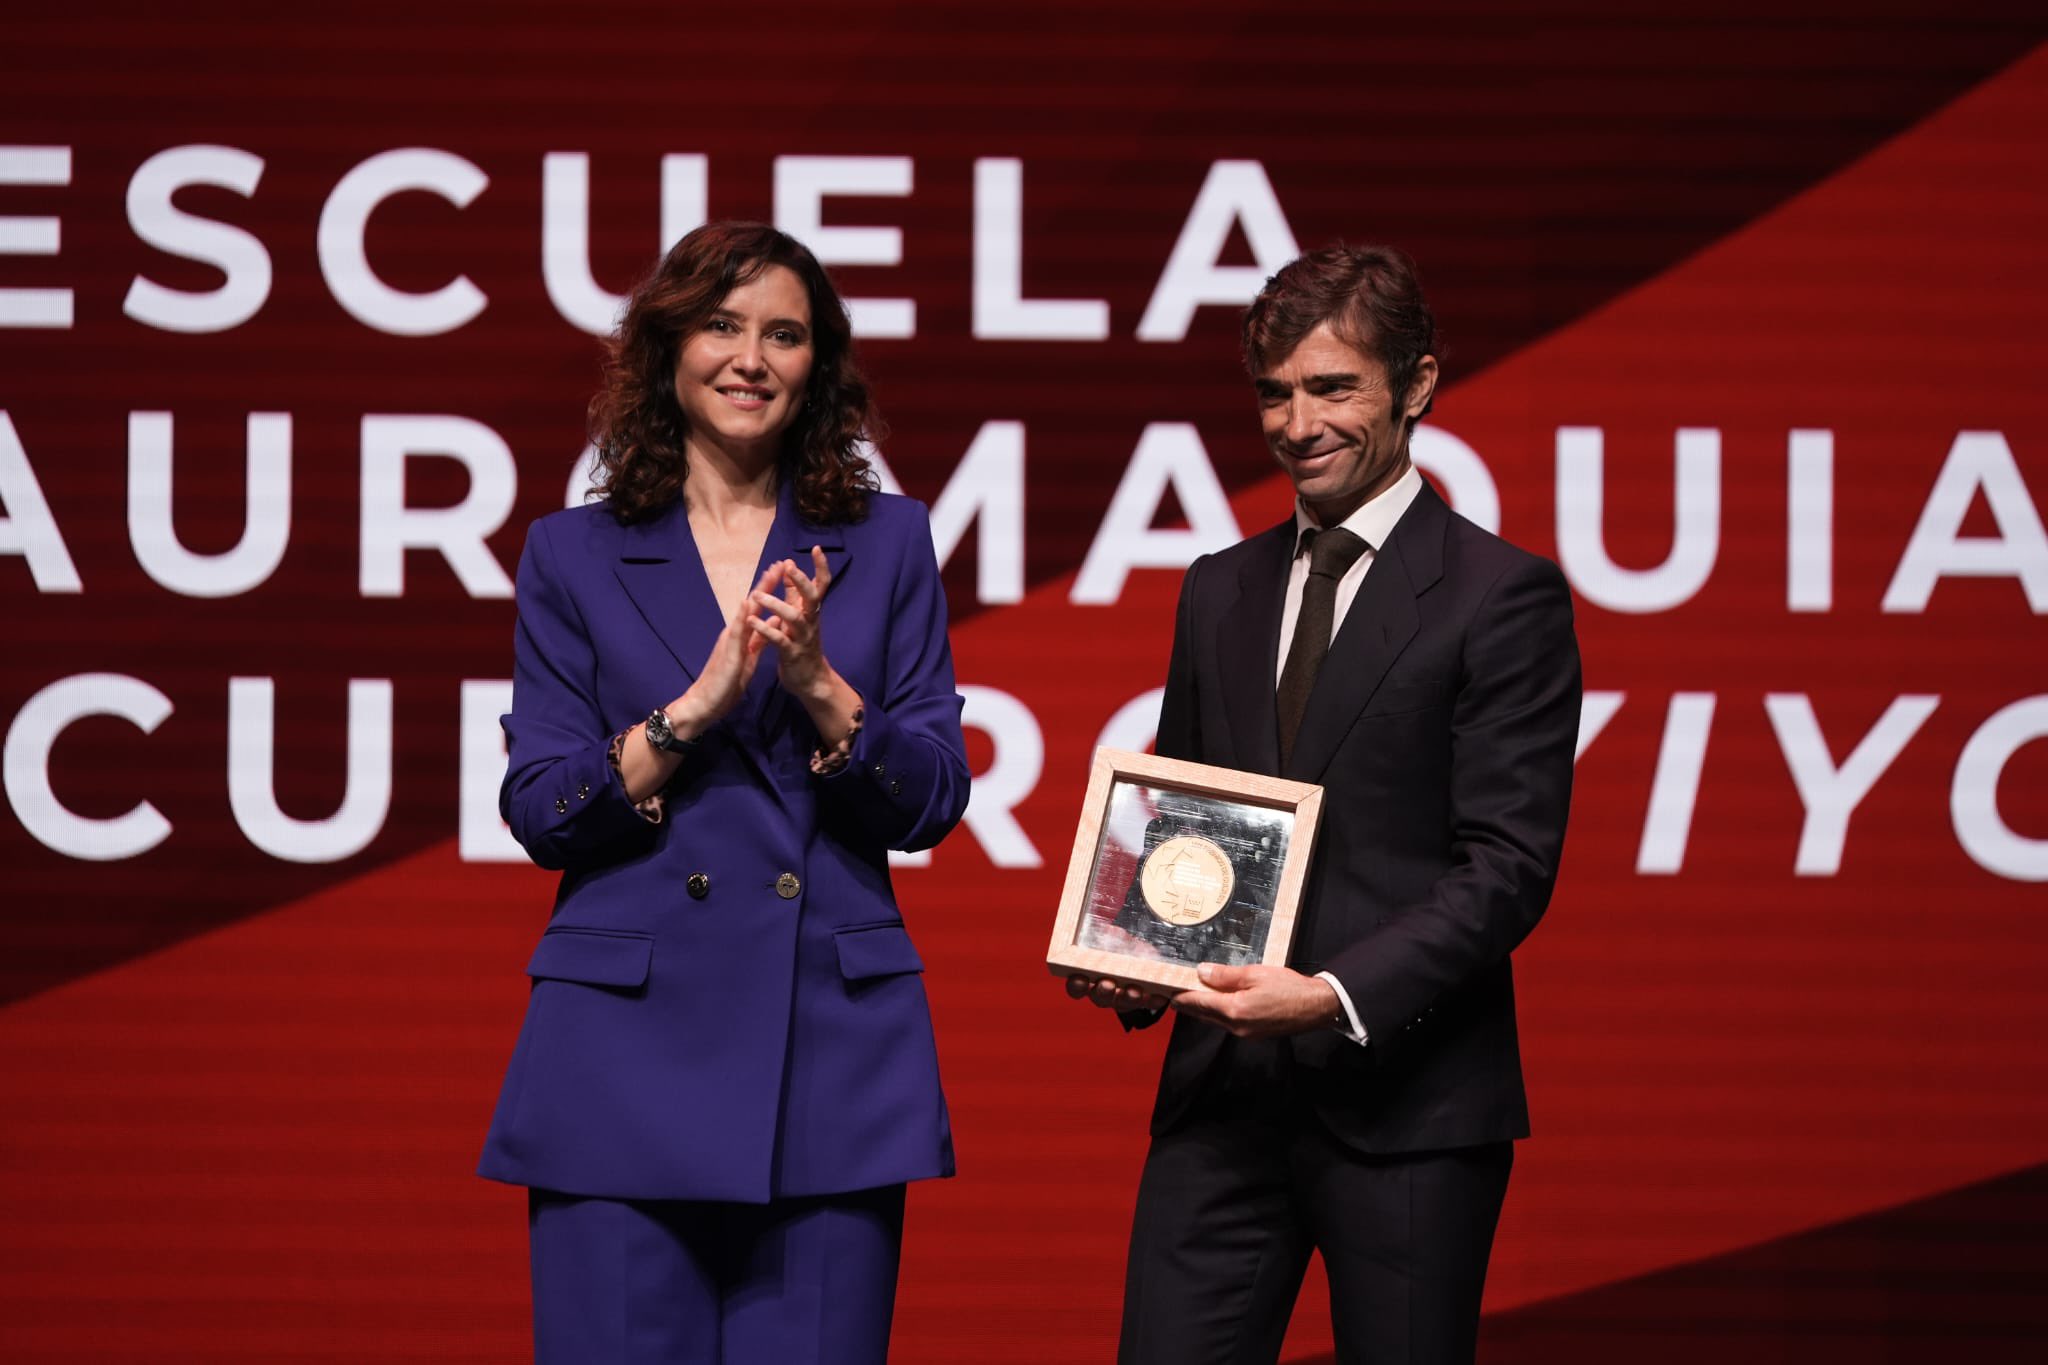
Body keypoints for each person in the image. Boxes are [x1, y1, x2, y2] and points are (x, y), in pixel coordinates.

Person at [1068, 243, 1582, 1364]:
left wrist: (1329, 996)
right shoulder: (1218, 588)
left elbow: (1506, 866)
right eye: (1273, 393)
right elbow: (1191, 824)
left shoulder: (1502, 596)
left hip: (1408, 1110)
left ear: (1417, 384)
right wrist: (1136, 955)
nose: (1296, 423)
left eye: (1331, 387)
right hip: (1221, 1102)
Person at [478, 221, 970, 1365]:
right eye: (722, 326)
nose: (752, 357)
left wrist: (818, 689)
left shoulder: (886, 543)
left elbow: (934, 797)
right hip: (620, 1061)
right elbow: (542, 810)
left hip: (829, 1063)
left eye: (784, 335)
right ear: (667, 352)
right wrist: (689, 715)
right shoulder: (571, 553)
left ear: (818, 368)